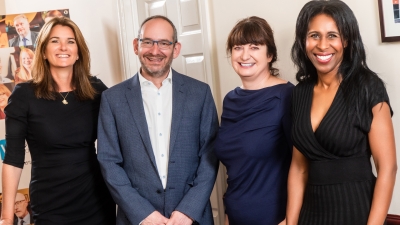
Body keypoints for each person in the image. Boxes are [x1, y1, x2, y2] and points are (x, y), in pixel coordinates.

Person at [97, 15, 219, 225]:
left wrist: (188, 211)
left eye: (164, 43)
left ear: (176, 49)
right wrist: (143, 213)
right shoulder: (112, 99)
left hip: (192, 218)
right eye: (147, 42)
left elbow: (210, 155)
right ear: (136, 46)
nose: (155, 51)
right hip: (137, 219)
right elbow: (109, 162)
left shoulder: (200, 93)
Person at [287, 1, 397, 225]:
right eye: (314, 35)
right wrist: (291, 222)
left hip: (358, 212)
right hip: (311, 215)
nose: (322, 45)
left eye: (332, 35)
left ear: (346, 40)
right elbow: (299, 168)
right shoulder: (299, 93)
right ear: (304, 41)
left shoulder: (368, 86)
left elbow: (387, 167)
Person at [1, 17, 116, 225]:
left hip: (96, 202)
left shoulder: (96, 90)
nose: (63, 47)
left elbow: (126, 132)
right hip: (49, 205)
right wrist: (6, 218)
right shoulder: (24, 95)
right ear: (43, 51)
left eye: (71, 41)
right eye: (55, 41)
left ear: (78, 51)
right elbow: (13, 160)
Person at [214, 16, 293, 225]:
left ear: (270, 55)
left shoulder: (287, 96)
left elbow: (305, 167)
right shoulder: (230, 100)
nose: (244, 55)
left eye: (254, 47)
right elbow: (238, 168)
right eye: (238, 47)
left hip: (275, 218)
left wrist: (290, 221)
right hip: (234, 216)